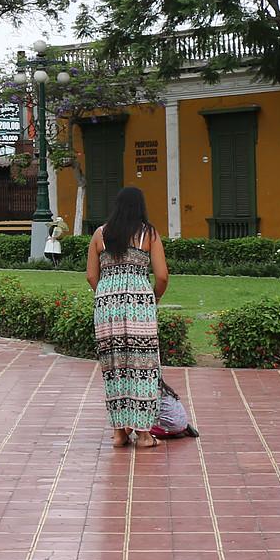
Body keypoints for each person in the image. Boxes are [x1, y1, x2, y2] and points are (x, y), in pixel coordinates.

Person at [87, 185, 181, 450]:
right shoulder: (147, 234)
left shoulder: (99, 234)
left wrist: (107, 296)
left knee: (114, 366)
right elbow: (162, 276)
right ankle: (142, 434)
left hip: (107, 305)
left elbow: (91, 276)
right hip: (139, 302)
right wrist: (154, 297)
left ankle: (119, 433)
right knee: (143, 367)